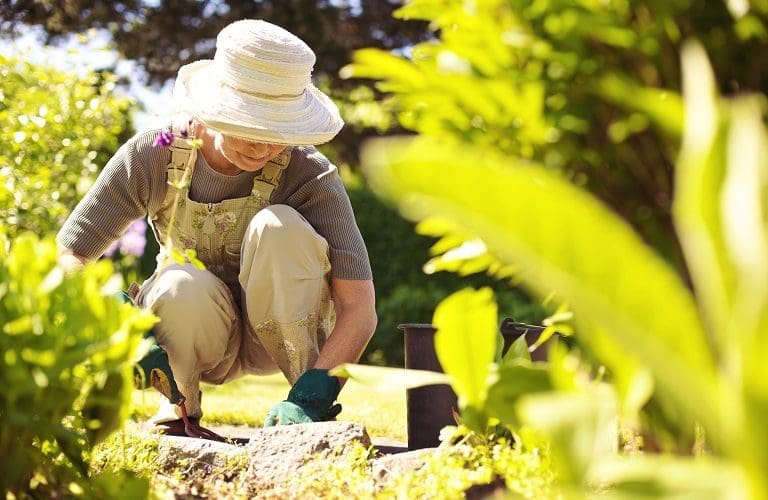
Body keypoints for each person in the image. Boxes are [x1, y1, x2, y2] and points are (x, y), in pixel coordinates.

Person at [56, 19, 377, 432]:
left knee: (279, 227)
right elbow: (71, 255)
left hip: (279, 337)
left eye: (277, 129)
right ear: (213, 109)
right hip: (189, 331)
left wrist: (319, 390)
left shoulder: (308, 174)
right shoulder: (154, 155)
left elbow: (359, 307)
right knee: (178, 284)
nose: (263, 145)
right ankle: (179, 407)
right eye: (249, 125)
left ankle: (300, 413)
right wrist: (112, 316)